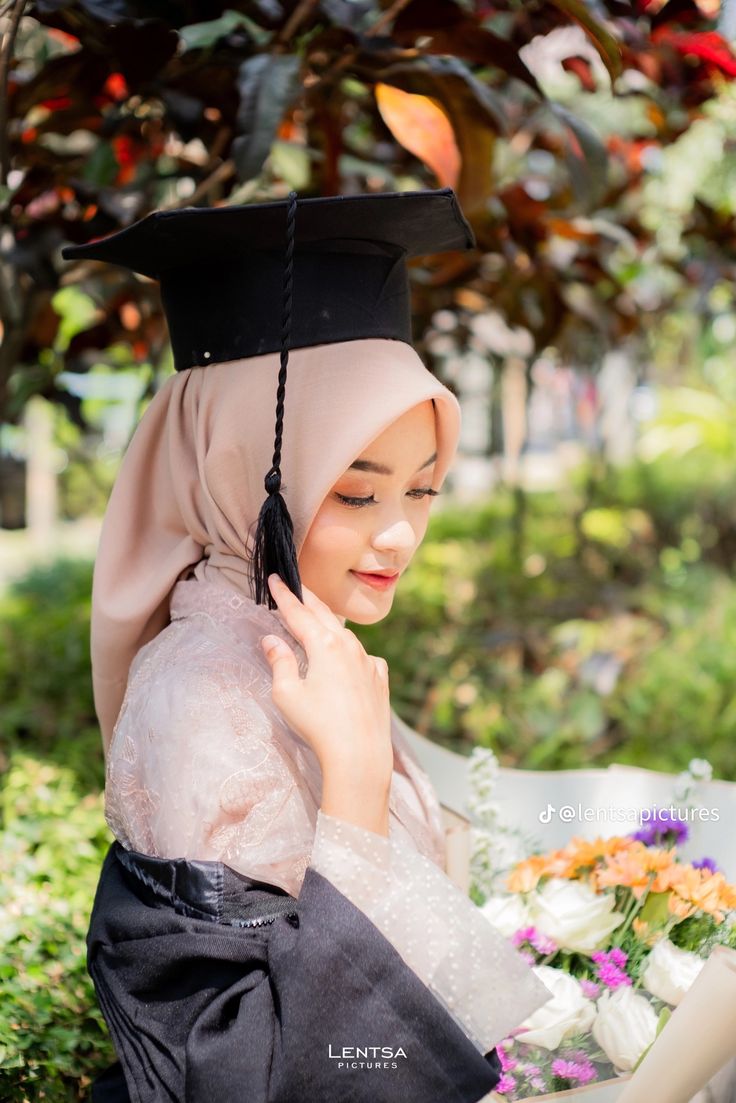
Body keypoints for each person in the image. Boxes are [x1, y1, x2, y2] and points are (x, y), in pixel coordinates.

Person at [61, 188, 552, 1103]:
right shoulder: (205, 699)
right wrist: (358, 788)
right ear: (239, 473)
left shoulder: (293, 638)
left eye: (423, 489)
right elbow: (267, 1073)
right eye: (358, 493)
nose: (401, 536)